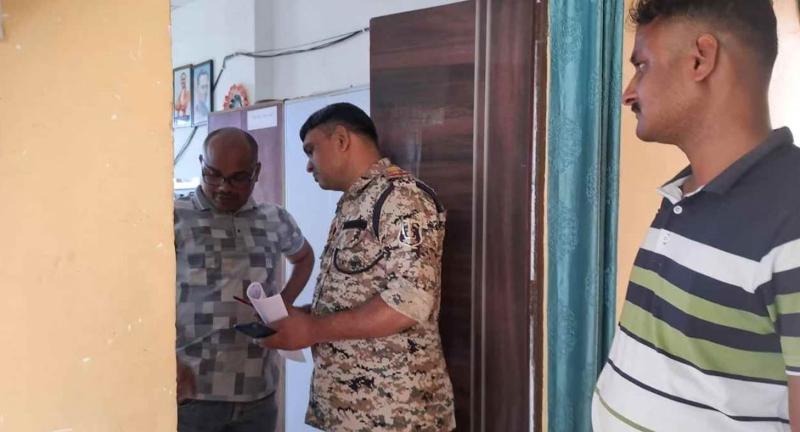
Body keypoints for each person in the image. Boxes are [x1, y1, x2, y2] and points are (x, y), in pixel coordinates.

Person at [593, 1, 800, 431]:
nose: (629, 93)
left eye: (642, 66)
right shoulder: (682, 195)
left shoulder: (791, 219)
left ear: (701, 59)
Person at [261, 103, 456, 431]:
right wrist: (307, 316)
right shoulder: (358, 201)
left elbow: (409, 303)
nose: (308, 165)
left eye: (311, 150)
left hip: (394, 413)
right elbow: (360, 290)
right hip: (353, 410)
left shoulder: (401, 198)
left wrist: (314, 329)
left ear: (341, 140)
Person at [174, 127, 314, 432]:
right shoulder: (174, 217)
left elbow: (304, 257)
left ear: (256, 172)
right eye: (213, 175)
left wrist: (284, 304)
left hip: (257, 393)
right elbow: (142, 296)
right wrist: (167, 363)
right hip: (193, 393)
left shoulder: (274, 218)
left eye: (238, 178)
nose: (223, 187)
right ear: (201, 164)